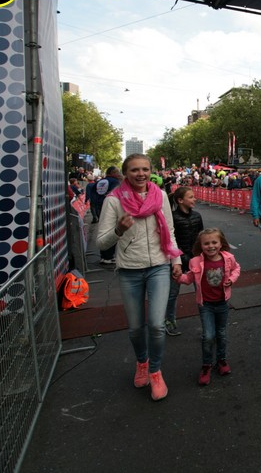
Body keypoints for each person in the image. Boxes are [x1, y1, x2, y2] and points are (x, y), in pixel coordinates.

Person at [96, 154, 183, 401]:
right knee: (135, 328)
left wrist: (176, 260)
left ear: (151, 171)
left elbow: (170, 230)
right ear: (125, 173)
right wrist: (119, 230)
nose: (141, 174)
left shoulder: (160, 195)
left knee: (156, 324)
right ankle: (142, 362)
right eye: (135, 170)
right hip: (129, 270)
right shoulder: (113, 200)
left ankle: (155, 371)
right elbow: (101, 242)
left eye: (145, 169)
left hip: (159, 266)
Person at [175, 228, 240, 386]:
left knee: (221, 334)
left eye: (214, 242)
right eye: (206, 243)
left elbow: (236, 269)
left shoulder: (228, 258)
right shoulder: (195, 261)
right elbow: (189, 278)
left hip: (222, 303)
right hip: (206, 305)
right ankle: (206, 365)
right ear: (200, 245)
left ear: (221, 243)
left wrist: (232, 279)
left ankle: (221, 360)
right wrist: (178, 277)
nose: (211, 246)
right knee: (209, 336)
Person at [167, 186, 204, 336]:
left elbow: (201, 238)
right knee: (172, 293)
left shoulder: (197, 216)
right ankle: (169, 322)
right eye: (191, 197)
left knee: (202, 292)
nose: (194, 199)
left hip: (196, 260)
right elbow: (170, 240)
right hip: (178, 261)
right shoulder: (172, 218)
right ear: (180, 200)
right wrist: (180, 258)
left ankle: (207, 325)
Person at [92, 166, 122, 264]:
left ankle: (104, 255)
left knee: (104, 230)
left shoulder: (99, 181)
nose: (119, 174)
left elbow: (93, 194)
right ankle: (108, 256)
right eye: (117, 172)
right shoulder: (115, 182)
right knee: (112, 231)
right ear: (113, 173)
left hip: (99, 207)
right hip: (110, 208)